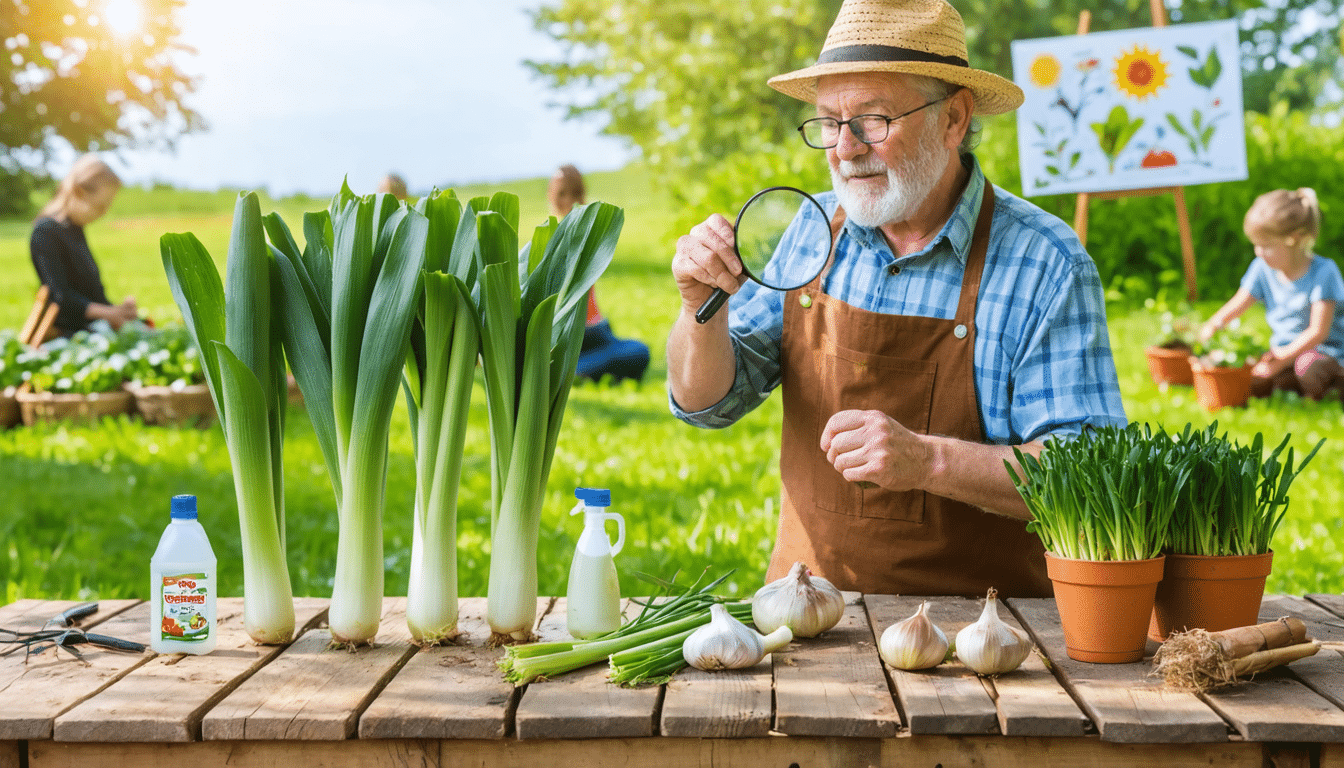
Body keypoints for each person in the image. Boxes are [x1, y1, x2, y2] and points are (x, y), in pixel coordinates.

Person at [666, 0, 1126, 597]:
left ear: (954, 118)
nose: (845, 147)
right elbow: (709, 404)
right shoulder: (814, 230)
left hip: (988, 639)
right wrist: (700, 311)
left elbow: (1090, 473)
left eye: (873, 119)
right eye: (829, 121)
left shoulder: (1043, 261)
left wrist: (929, 462)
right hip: (811, 621)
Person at [1199, 188, 1344, 400]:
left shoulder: (1324, 272)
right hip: (1281, 351)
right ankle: (1290, 387)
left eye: (1266, 245)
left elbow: (1318, 332)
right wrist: (1213, 324)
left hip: (1324, 353)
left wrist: (1282, 359)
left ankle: (1331, 387)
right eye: (1255, 244)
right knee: (1251, 374)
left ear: (1294, 239)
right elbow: (1239, 302)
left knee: (1307, 367)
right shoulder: (1262, 268)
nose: (1258, 251)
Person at [548, 164, 651, 382]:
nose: (568, 201)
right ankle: (574, 371)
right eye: (562, 194)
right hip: (577, 334)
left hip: (598, 329)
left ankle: (578, 369)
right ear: (551, 196)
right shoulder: (553, 240)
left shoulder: (585, 235)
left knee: (637, 350)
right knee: (637, 352)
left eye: (575, 193)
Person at [29, 154, 138, 337]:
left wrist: (119, 311)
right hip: (68, 333)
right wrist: (109, 314)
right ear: (79, 192)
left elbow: (92, 294)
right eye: (100, 206)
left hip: (93, 328)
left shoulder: (75, 230)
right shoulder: (45, 233)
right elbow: (61, 298)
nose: (103, 214)